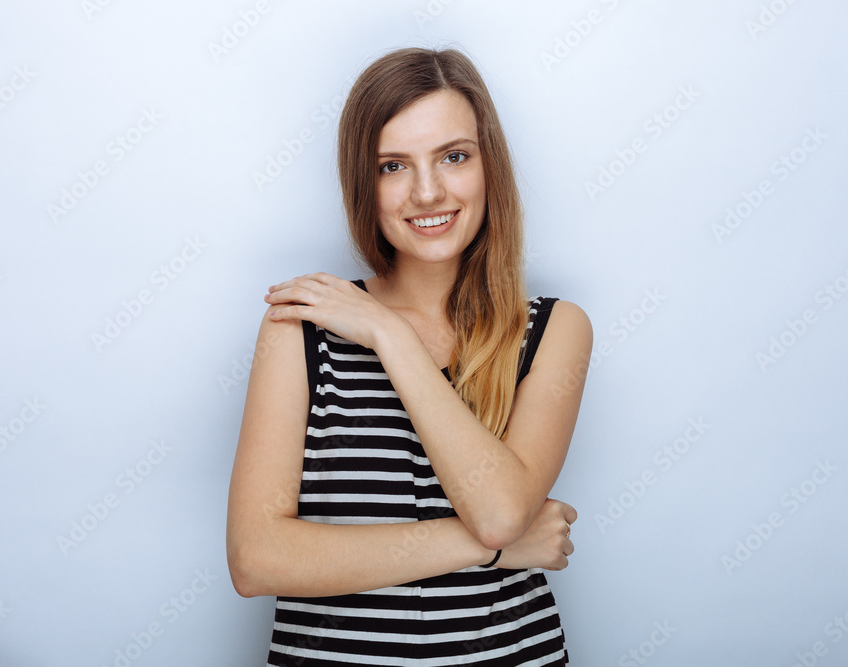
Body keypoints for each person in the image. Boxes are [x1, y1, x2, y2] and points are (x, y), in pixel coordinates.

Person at [227, 46, 592, 666]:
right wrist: (493, 549)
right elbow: (257, 560)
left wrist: (391, 337)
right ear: (362, 183)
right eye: (393, 165)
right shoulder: (300, 328)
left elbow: (501, 511)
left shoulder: (554, 329)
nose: (428, 192)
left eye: (454, 157)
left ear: (488, 166)